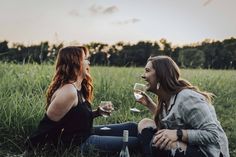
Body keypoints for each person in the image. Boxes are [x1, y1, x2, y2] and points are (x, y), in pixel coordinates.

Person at [24, 46, 140, 156]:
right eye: (85, 59)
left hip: (86, 133)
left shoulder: (78, 87)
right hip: (77, 144)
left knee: (133, 127)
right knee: (136, 142)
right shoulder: (68, 92)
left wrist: (97, 113)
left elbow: (74, 119)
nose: (88, 62)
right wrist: (28, 150)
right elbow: (46, 126)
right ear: (75, 64)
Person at [137, 56, 229, 157]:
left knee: (160, 143)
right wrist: (150, 105)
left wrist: (178, 134)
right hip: (190, 146)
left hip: (209, 153)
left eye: (147, 70)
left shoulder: (187, 98)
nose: (143, 76)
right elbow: (169, 122)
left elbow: (213, 135)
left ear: (160, 75)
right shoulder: (165, 98)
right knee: (145, 124)